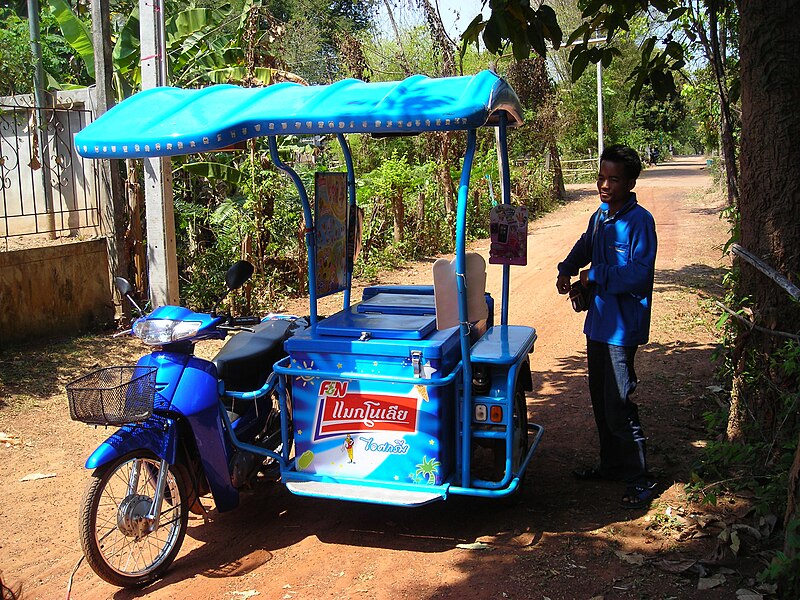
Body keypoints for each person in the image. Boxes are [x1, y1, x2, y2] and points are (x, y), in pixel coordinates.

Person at [555, 144, 658, 509]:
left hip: (621, 328)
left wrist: (594, 274)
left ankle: (640, 477)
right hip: (597, 324)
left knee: (618, 402)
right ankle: (612, 464)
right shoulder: (600, 216)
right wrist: (567, 267)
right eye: (601, 177)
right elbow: (586, 245)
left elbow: (638, 275)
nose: (605, 184)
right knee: (600, 399)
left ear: (630, 182)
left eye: (614, 179)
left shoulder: (640, 221)